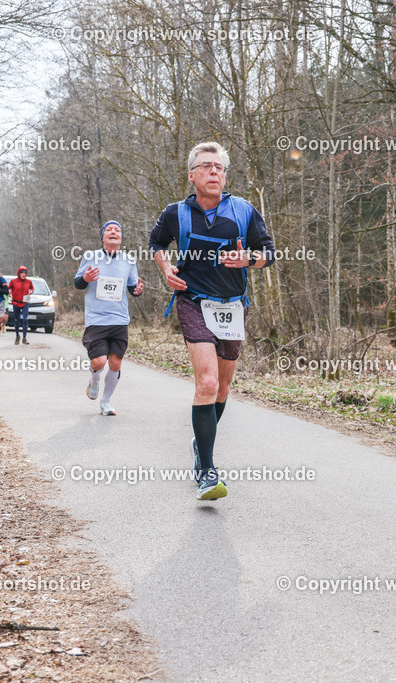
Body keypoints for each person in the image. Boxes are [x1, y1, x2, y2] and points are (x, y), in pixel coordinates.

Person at [150, 141, 275, 501]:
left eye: (219, 167)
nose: (214, 172)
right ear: (192, 175)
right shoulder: (175, 213)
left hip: (233, 307)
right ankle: (207, 470)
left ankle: (199, 444)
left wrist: (249, 260)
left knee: (221, 389)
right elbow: (156, 242)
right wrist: (165, 268)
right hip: (193, 302)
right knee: (206, 382)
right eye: (206, 166)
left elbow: (269, 253)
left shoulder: (243, 210)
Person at [74, 220, 143, 416]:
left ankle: (106, 401)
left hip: (120, 318)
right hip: (96, 319)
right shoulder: (90, 257)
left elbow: (132, 287)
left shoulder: (129, 260)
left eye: (117, 230)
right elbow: (78, 283)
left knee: (115, 363)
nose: (113, 232)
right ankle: (95, 378)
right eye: (109, 230)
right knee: (99, 362)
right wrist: (86, 279)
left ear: (121, 237)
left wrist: (137, 290)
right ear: (103, 236)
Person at [8, 266, 34, 345]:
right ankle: (17, 336)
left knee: (25, 319)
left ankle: (24, 338)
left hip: (25, 302)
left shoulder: (29, 281)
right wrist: (9, 291)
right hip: (16, 302)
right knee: (17, 320)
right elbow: (9, 288)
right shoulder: (13, 281)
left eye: (25, 273)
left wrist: (31, 291)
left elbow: (32, 288)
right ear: (19, 273)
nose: (23, 275)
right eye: (22, 273)